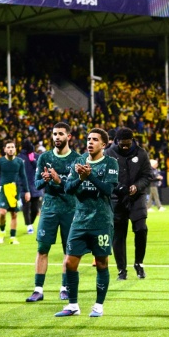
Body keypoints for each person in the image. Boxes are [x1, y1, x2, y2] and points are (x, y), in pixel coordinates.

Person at [54, 128, 119, 318]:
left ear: (104, 144)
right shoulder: (79, 161)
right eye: (89, 139)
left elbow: (108, 190)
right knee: (69, 262)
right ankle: (73, 305)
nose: (90, 142)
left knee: (101, 263)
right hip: (80, 221)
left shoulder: (110, 163)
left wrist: (89, 176)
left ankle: (98, 306)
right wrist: (80, 179)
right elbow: (68, 188)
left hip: (101, 221)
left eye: (95, 139)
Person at [26, 122, 79, 303]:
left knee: (68, 250)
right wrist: (46, 179)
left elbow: (75, 187)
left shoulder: (77, 159)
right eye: (55, 134)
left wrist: (58, 180)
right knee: (42, 249)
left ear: (68, 136)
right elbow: (37, 184)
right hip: (49, 208)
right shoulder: (44, 157)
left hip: (70, 209)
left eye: (61, 134)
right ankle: (38, 290)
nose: (57, 137)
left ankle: (64, 288)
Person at [105, 128, 153, 280]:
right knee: (119, 235)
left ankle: (139, 263)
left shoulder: (141, 153)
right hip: (116, 199)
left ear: (132, 140)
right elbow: (105, 176)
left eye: (128, 144)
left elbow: (148, 176)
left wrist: (137, 186)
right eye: (122, 144)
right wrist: (119, 188)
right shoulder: (109, 154)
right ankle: (121, 269)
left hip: (137, 198)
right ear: (117, 141)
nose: (125, 147)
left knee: (141, 229)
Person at [0, 141, 31, 244]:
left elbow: (23, 176)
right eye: (8, 147)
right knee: (2, 212)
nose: (11, 149)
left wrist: (27, 191)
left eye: (12, 147)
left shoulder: (19, 161)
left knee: (14, 214)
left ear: (15, 149)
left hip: (15, 190)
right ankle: (2, 231)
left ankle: (12, 237)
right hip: (4, 189)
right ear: (5, 149)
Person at [20, 139, 42, 235]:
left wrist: (33, 161)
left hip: (35, 186)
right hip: (24, 186)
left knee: (35, 209)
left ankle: (30, 223)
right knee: (26, 207)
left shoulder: (36, 156)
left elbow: (40, 168)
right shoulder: (19, 158)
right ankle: (29, 226)